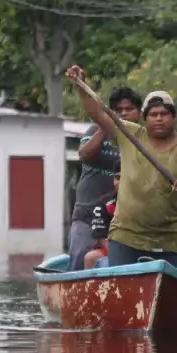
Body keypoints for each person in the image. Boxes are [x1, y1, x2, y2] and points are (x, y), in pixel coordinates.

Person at [66, 65, 177, 271]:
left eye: (164, 113)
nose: (158, 118)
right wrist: (81, 86)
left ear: (173, 117)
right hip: (126, 234)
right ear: (145, 118)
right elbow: (96, 113)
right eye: (153, 114)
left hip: (167, 236)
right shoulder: (129, 133)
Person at [69, 87, 141, 271]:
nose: (123, 113)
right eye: (118, 110)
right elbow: (84, 155)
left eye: (129, 109)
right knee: (80, 256)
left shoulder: (142, 140)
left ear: (139, 113)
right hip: (88, 213)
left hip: (126, 218)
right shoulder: (95, 130)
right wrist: (105, 126)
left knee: (127, 264)